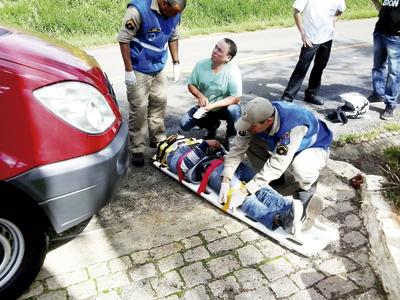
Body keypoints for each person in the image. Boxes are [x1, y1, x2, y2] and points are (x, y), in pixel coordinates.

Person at [160, 137, 305, 235]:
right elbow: (182, 166)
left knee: (256, 185)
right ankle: (277, 219)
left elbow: (220, 150)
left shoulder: (193, 142)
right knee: (240, 196)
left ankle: (287, 206)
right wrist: (205, 145)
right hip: (213, 171)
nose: (177, 137)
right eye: (173, 138)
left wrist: (218, 149)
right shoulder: (173, 156)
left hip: (228, 165)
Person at [220, 97, 330, 224]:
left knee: (300, 169)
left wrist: (245, 190)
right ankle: (275, 179)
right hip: (282, 142)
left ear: (268, 121)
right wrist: (226, 178)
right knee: (250, 143)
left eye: (250, 126)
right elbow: (237, 148)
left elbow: (277, 164)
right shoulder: (255, 117)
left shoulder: (293, 126)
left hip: (314, 145)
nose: (247, 128)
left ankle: (308, 186)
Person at [117, 0, 187, 167]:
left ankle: (157, 139)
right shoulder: (138, 10)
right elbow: (124, 40)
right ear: (163, 3)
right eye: (172, 12)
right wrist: (128, 70)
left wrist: (176, 62)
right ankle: (137, 149)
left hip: (158, 66)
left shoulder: (175, 11)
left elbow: (173, 36)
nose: (174, 16)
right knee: (139, 109)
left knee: (159, 102)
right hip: (139, 68)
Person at [179, 38, 242, 150]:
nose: (214, 51)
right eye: (215, 47)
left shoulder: (233, 70)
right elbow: (191, 85)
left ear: (228, 57)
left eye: (220, 50)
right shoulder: (201, 64)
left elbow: (235, 98)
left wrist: (212, 106)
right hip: (205, 107)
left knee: (234, 110)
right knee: (184, 124)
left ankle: (231, 135)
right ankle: (212, 126)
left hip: (223, 108)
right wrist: (200, 96)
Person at [280, 0, 346, 105]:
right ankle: (287, 98)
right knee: (302, 68)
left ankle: (311, 94)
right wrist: (303, 33)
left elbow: (340, 9)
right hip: (310, 39)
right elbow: (296, 12)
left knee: (319, 67)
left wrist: (333, 20)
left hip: (327, 38)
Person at [368, 0, 400, 120]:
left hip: (396, 38)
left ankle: (390, 104)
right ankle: (378, 94)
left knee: (394, 73)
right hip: (380, 32)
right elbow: (382, 8)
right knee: (378, 67)